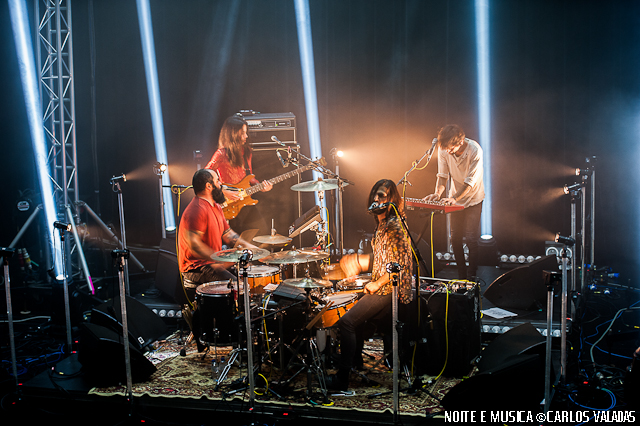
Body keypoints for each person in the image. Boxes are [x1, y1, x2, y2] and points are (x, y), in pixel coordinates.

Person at [326, 179, 414, 391]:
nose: (376, 199)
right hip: (383, 285)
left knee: (346, 322)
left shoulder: (395, 226)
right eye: (375, 194)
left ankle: (342, 379)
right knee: (353, 315)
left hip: (393, 290)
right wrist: (360, 263)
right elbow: (382, 258)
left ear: (391, 199)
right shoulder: (382, 225)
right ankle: (354, 363)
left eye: (382, 195)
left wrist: (377, 283)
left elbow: (400, 264)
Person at [177, 168, 258, 304]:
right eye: (217, 181)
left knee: (249, 272)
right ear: (209, 186)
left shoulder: (216, 207)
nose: (221, 184)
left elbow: (229, 235)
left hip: (212, 262)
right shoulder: (197, 209)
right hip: (197, 268)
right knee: (239, 288)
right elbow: (195, 246)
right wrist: (219, 258)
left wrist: (256, 251)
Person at [423, 124, 485, 280]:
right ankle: (461, 276)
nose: (448, 151)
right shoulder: (444, 149)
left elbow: (470, 183)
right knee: (454, 238)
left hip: (473, 198)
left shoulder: (475, 150)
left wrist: (454, 198)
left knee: (471, 238)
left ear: (461, 141)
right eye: (446, 149)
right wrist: (437, 194)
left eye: (451, 148)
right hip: (454, 199)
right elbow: (442, 175)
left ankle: (472, 276)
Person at [205, 114, 272, 234]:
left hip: (245, 200)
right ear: (233, 135)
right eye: (242, 133)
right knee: (236, 240)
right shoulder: (221, 154)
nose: (246, 136)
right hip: (229, 203)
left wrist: (262, 186)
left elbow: (249, 176)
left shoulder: (246, 151)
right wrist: (222, 191)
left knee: (261, 232)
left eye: (246, 132)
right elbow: (204, 176)